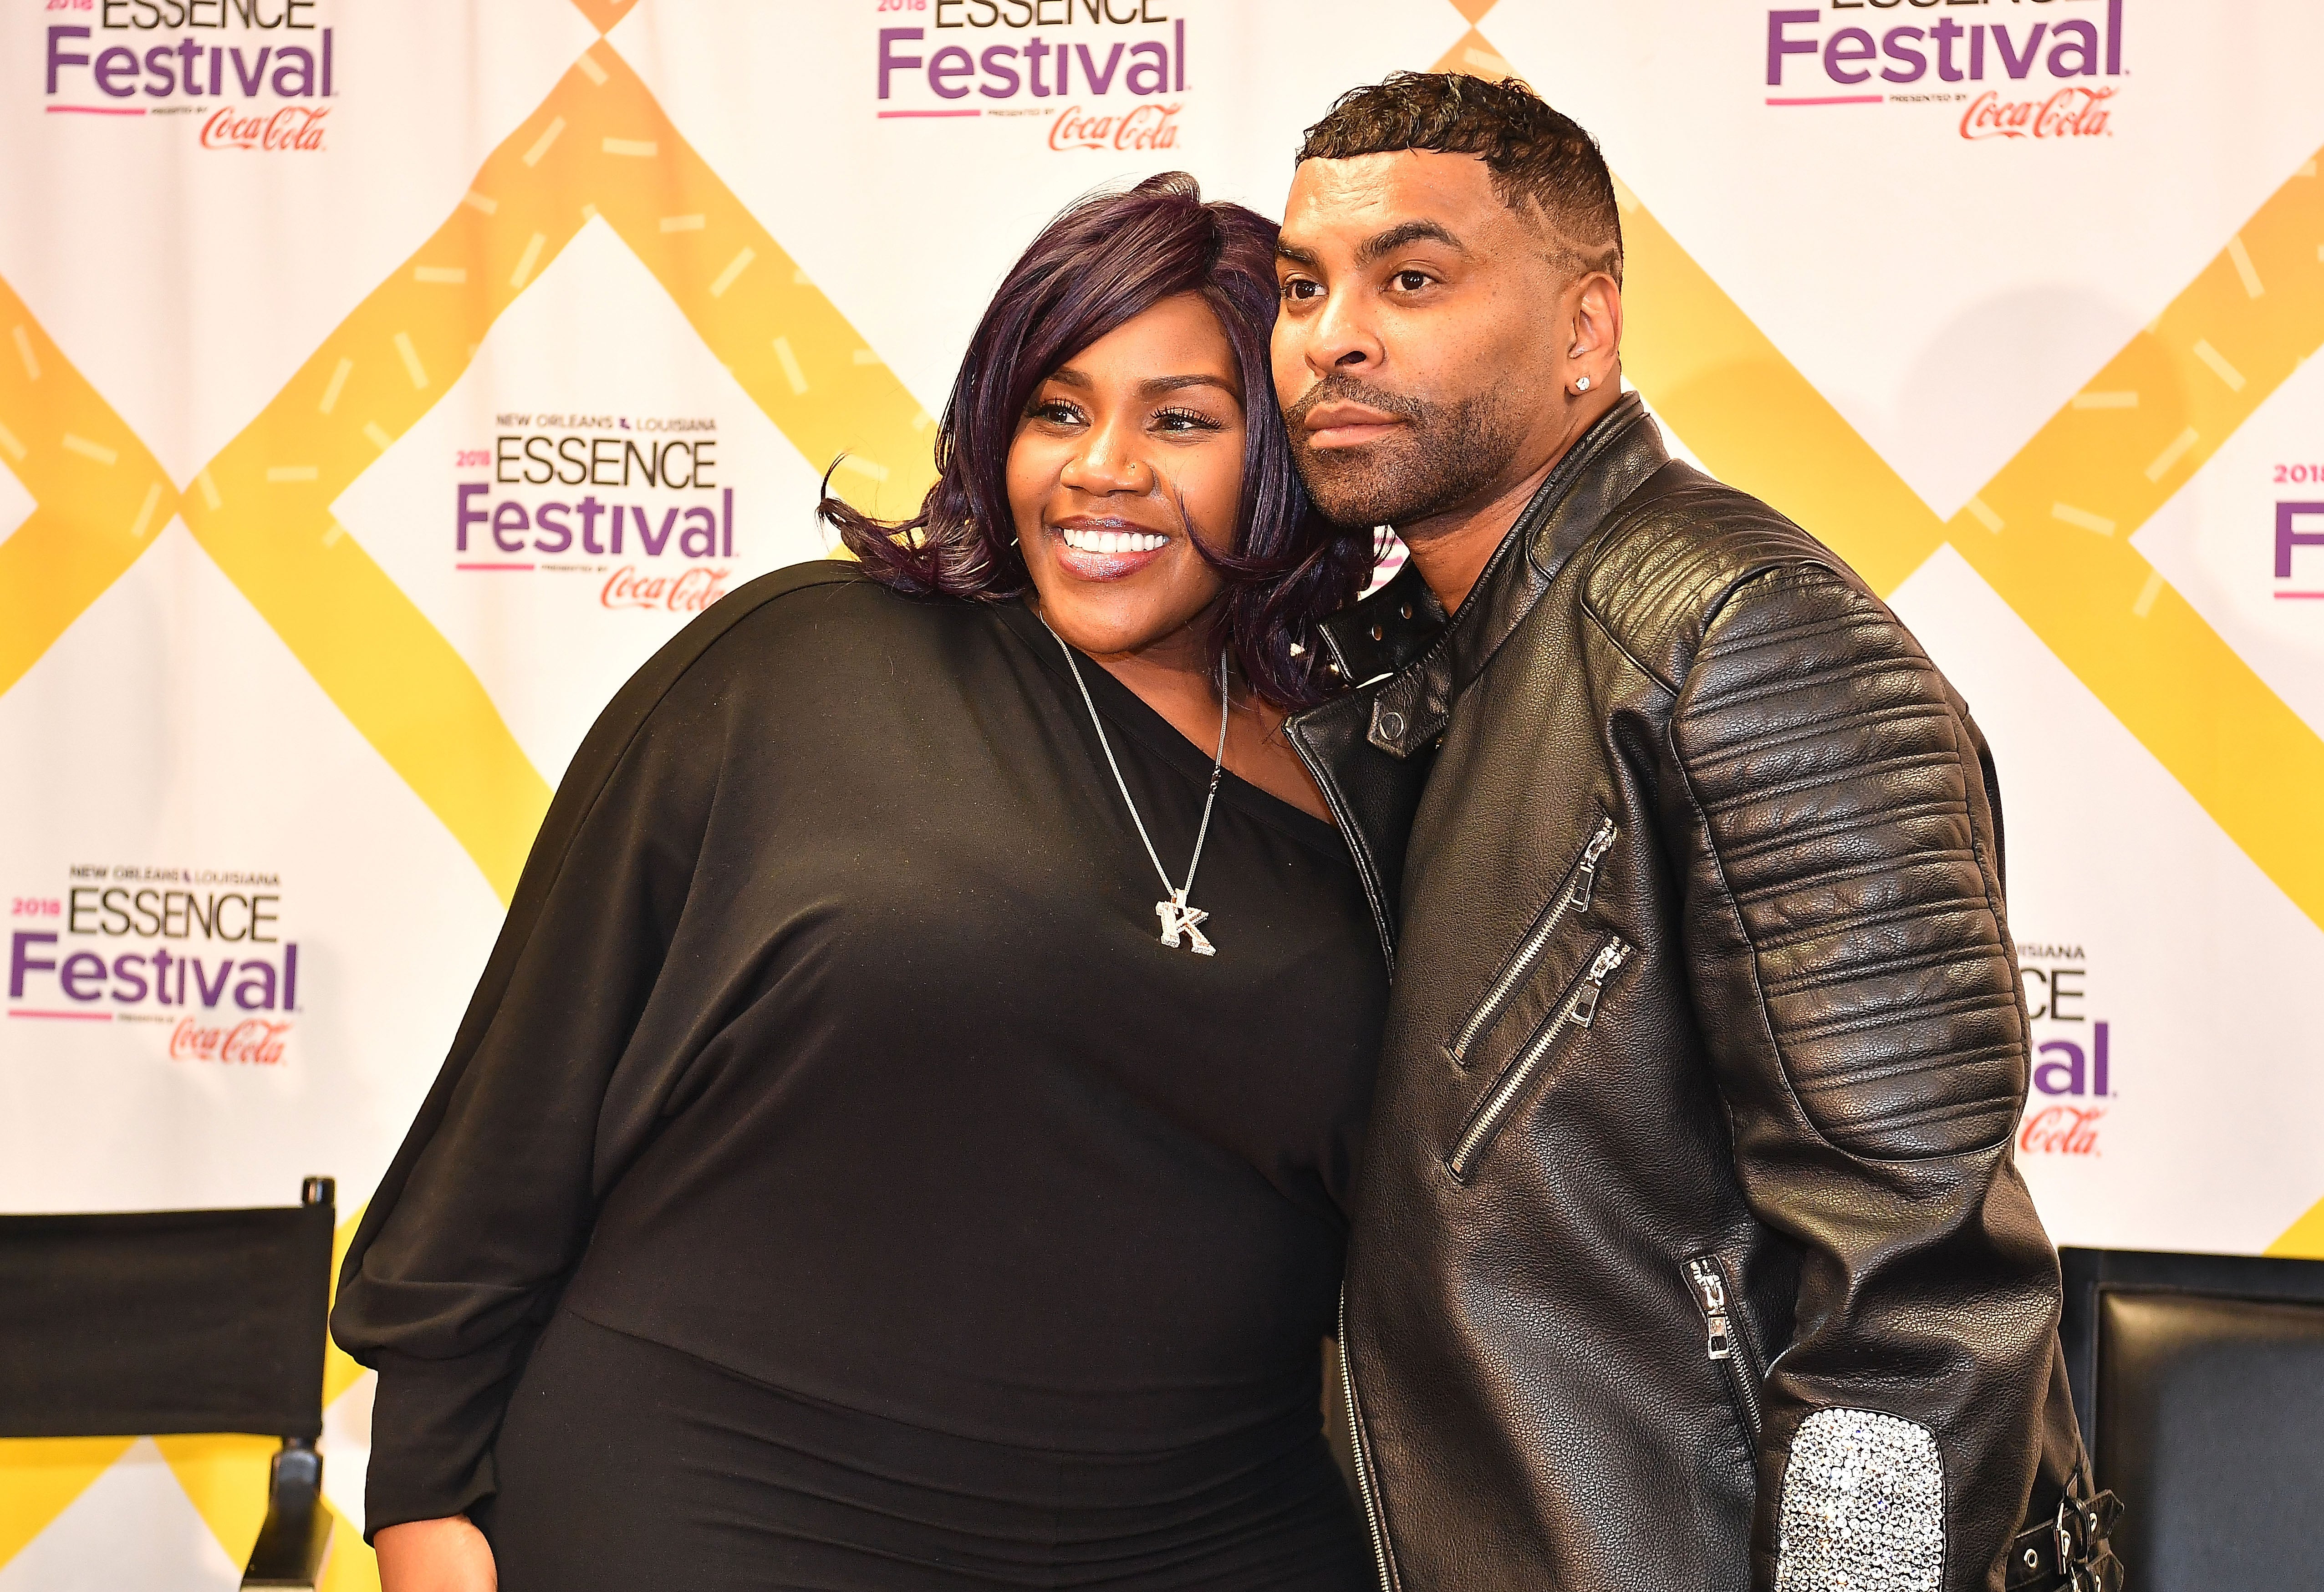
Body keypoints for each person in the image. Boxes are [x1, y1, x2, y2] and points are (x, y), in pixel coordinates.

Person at [331, 173, 1383, 1592]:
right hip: (724, 1502)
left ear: (1289, 453)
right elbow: (521, 1104)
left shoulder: (1378, 785)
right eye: (1057, 410)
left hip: (1205, 1532)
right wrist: (423, 1501)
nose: (1101, 468)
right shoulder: (797, 670)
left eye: (1181, 420)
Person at [1268, 74, 2122, 1592]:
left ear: (1586, 331)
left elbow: (1920, 1295)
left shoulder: (1741, 638)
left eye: (1411, 279)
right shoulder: (1440, 663)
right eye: (1300, 286)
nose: (1333, 334)